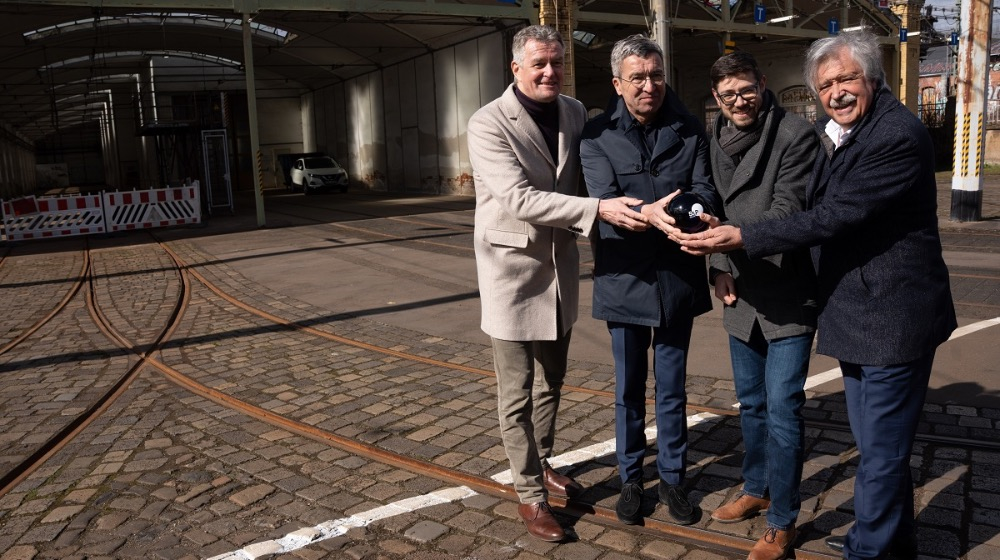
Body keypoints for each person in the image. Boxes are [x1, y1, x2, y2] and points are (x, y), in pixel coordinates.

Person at [669, 30, 957, 560]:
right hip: (853, 310)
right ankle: (891, 541)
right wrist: (718, 254)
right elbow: (717, 192)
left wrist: (740, 238)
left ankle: (864, 549)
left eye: (846, 78)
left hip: (888, 314)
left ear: (873, 77)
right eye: (825, 84)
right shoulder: (844, 131)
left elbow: (828, 215)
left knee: (878, 452)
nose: (837, 92)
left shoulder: (890, 134)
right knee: (873, 447)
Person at [466, 24, 648, 543]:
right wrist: (598, 209)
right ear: (516, 68)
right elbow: (519, 199)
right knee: (516, 393)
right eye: (539, 64)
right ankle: (529, 495)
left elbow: (592, 171)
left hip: (560, 270)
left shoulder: (574, 111)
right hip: (511, 272)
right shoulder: (487, 124)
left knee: (552, 382)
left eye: (556, 63)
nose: (550, 72)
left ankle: (541, 460)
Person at [580, 34, 720, 527]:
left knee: (674, 388)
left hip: (677, 277)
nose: (648, 85)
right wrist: (651, 214)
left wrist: (684, 211)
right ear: (618, 84)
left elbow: (704, 189)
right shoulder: (596, 137)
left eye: (656, 75)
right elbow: (605, 199)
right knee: (628, 388)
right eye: (637, 77)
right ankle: (631, 480)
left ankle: (675, 480)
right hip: (624, 278)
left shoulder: (689, 130)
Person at [703, 51, 819, 560]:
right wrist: (716, 267)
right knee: (750, 405)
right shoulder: (715, 137)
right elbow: (710, 207)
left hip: (787, 292)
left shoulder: (794, 134)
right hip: (739, 292)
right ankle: (755, 488)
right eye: (728, 94)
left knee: (783, 410)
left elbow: (788, 211)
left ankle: (783, 520)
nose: (739, 101)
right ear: (717, 98)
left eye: (746, 89)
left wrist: (731, 244)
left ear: (762, 84)